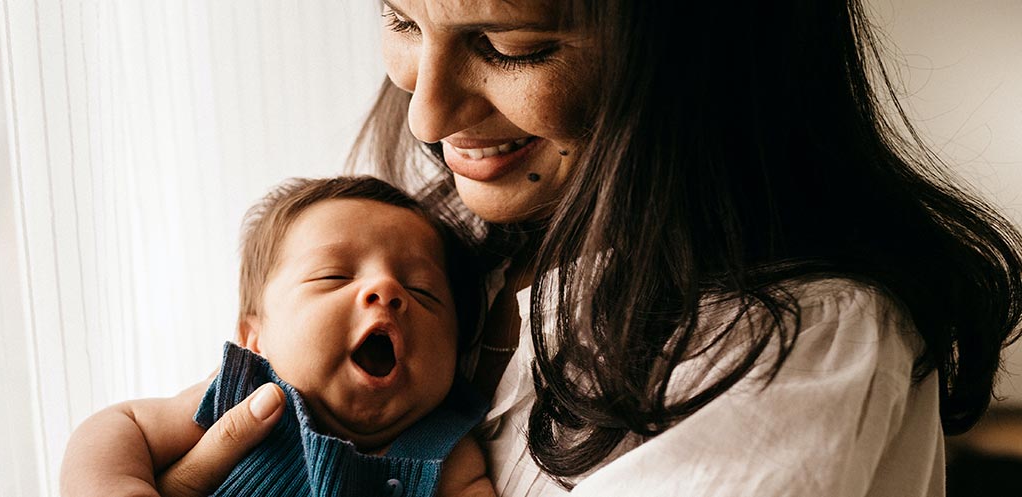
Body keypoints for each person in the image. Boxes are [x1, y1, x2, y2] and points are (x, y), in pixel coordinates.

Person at [66, 1, 1022, 496]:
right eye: (400, 18)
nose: (428, 113)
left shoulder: (793, 344)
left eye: (514, 43)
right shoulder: (461, 241)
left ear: (704, 50)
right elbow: (123, 432)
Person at [61, 177, 495, 497]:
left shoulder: (449, 452)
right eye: (333, 275)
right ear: (254, 338)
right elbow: (122, 425)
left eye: (423, 291)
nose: (387, 290)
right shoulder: (242, 395)